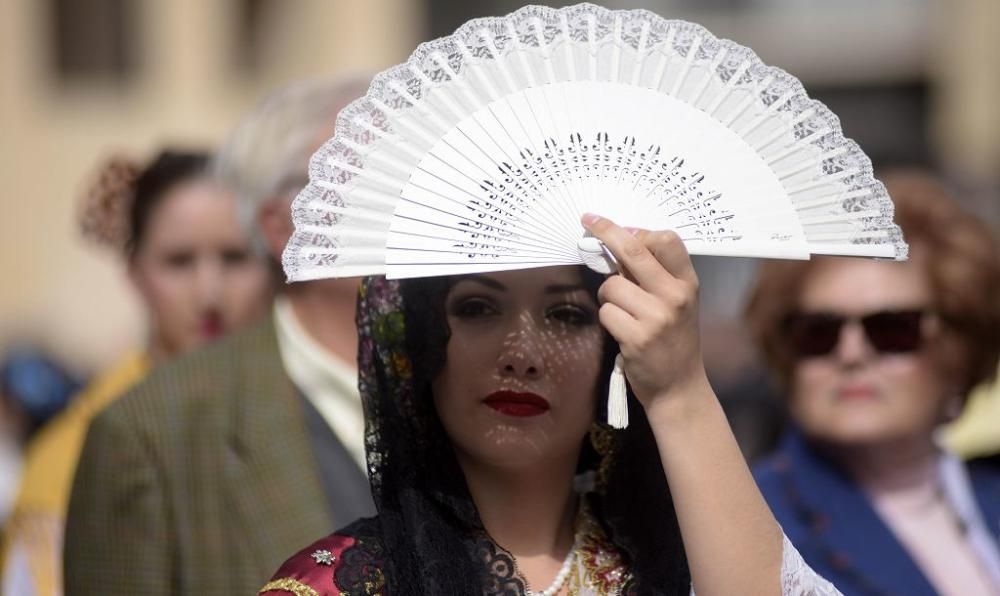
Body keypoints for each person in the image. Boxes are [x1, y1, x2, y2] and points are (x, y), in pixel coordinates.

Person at [261, 215, 842, 595]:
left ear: (613, 350)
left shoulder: (685, 567)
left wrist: (678, 388)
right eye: (478, 309)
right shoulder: (332, 586)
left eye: (566, 315)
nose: (521, 355)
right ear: (421, 344)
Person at [63, 78, 375, 596]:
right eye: (373, 176)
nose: (415, 202)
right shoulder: (147, 435)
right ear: (286, 226)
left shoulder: (480, 402)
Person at [2, 149, 271, 596]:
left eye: (234, 258)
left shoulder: (299, 414)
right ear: (134, 272)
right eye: (179, 261)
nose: (209, 293)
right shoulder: (73, 459)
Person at [748, 171, 1000, 596]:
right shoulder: (750, 519)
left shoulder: (989, 491)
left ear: (959, 350)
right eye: (818, 332)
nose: (851, 354)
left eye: (892, 329)